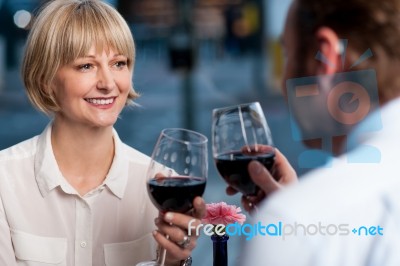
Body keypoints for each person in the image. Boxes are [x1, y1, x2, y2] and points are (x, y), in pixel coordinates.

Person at [0, 0, 204, 265]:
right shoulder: (4, 181)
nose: (108, 83)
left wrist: (176, 263)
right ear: (46, 80)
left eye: (119, 63)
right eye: (86, 65)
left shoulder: (161, 187)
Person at [237, 0, 400, 264]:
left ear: (326, 57)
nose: (282, 85)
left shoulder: (288, 227)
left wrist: (294, 215)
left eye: (288, 54)